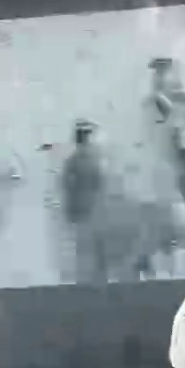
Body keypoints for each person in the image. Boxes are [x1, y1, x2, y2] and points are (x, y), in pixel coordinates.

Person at [61, 120, 107, 285]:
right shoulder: (88, 160)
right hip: (87, 211)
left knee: (87, 249)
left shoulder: (75, 161)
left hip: (86, 211)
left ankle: (88, 280)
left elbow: (68, 186)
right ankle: (90, 280)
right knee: (88, 248)